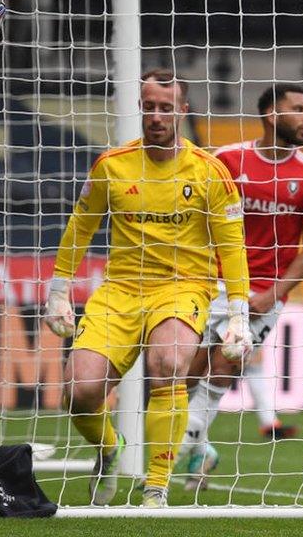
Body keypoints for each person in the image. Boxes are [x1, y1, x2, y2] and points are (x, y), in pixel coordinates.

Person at [43, 69, 251, 507]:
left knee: (170, 363)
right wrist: (58, 291)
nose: (157, 116)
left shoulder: (211, 171)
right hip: (120, 289)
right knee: (78, 391)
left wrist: (238, 315)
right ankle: (108, 450)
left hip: (183, 288)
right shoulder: (111, 165)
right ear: (141, 107)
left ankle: (156, 486)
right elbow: (80, 227)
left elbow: (231, 246)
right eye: (150, 106)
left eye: (166, 107)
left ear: (182, 110)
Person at [181, 84, 303, 490]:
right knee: (187, 370)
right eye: (298, 109)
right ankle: (197, 448)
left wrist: (274, 293)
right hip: (212, 283)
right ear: (271, 115)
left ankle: (182, 446)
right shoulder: (227, 160)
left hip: (267, 291)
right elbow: (197, 221)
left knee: (229, 361)